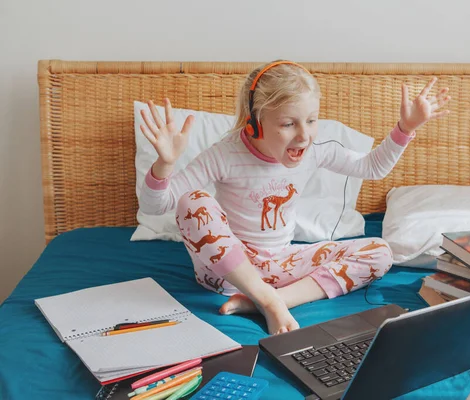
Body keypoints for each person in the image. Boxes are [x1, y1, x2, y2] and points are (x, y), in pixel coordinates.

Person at [138, 60, 451, 334]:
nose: (304, 135)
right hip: (225, 273)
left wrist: (405, 128)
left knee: (381, 251)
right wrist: (164, 164)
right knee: (192, 201)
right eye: (289, 124)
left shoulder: (314, 151)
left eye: (311, 120)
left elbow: (372, 166)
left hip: (279, 265)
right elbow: (156, 206)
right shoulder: (225, 154)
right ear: (256, 123)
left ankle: (268, 299)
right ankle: (265, 298)